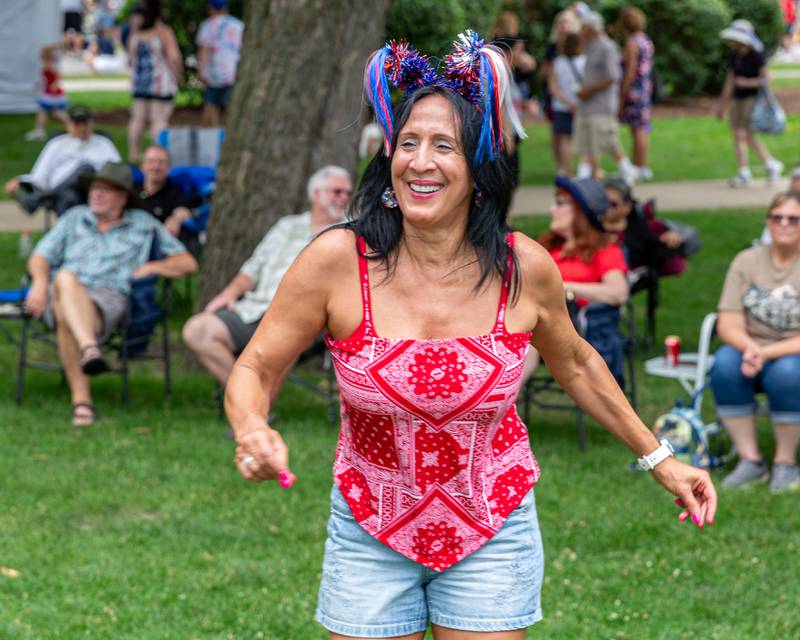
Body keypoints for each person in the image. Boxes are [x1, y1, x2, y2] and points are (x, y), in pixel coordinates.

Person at [224, 33, 716, 639]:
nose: (420, 161)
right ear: (388, 160)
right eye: (407, 143)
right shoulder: (337, 260)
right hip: (369, 522)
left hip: (492, 522)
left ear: (479, 170)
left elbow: (580, 364)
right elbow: (255, 367)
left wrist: (661, 458)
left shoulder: (523, 267)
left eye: (443, 146)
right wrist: (253, 429)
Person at [23, 162, 197, 426]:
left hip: (108, 298)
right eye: (94, 188)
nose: (96, 194)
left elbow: (188, 263)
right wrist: (38, 283)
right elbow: (40, 256)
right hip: (59, 289)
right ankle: (89, 351)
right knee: (66, 278)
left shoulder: (143, 224)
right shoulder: (74, 217)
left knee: (64, 311)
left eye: (105, 189)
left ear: (123, 196)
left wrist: (153, 266)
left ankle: (82, 402)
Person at [182, 166, 352, 391]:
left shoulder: (350, 233)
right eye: (337, 192)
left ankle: (249, 411)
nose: (344, 198)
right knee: (198, 330)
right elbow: (253, 268)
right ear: (316, 194)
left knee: (284, 339)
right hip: (256, 309)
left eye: (348, 193)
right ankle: (250, 403)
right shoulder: (287, 226)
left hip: (304, 317)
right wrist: (229, 293)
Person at [710, 191, 800, 494]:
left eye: (793, 218)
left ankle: (785, 462)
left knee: (787, 373)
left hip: (791, 350)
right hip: (751, 345)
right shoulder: (747, 261)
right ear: (768, 222)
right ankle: (751, 460)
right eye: (777, 217)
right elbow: (728, 321)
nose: (784, 224)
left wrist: (765, 352)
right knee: (723, 364)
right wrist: (750, 348)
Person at [533, 176, 629, 387]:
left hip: (577, 331)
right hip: (535, 324)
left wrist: (565, 287)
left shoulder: (604, 251)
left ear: (581, 211)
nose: (552, 209)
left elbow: (618, 292)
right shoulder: (548, 249)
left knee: (529, 338)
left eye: (560, 203)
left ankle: (492, 406)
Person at [4, 105, 121, 214]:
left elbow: (117, 171)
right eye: (77, 123)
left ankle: (40, 199)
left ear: (92, 124)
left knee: (87, 169)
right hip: (64, 194)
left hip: (94, 191)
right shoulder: (57, 144)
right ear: (68, 125)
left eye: (85, 123)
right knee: (70, 196)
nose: (82, 128)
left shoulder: (103, 143)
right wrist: (21, 180)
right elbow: (41, 174)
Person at [715, 20, 783, 188]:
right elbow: (730, 81)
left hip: (752, 99)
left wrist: (747, 82)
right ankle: (770, 164)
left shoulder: (756, 55)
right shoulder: (734, 55)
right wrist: (722, 105)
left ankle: (745, 172)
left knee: (741, 134)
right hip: (737, 99)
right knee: (743, 135)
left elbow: (766, 79)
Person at [574, 12, 637, 184]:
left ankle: (627, 169)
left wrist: (589, 90)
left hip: (602, 104)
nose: (580, 30)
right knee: (588, 140)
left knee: (608, 140)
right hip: (588, 104)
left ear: (591, 28)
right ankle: (586, 173)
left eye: (583, 27)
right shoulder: (589, 45)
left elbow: (612, 77)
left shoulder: (607, 47)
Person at [127, 0, 183, 163]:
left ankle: (134, 153)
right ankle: (158, 155)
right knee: (159, 120)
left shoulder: (136, 34)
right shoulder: (162, 31)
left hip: (140, 83)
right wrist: (179, 75)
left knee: (138, 118)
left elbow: (130, 61)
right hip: (160, 83)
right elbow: (174, 56)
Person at [604, 178, 688, 277]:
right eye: (602, 201)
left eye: (613, 204)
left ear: (627, 207)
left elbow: (676, 266)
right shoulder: (590, 227)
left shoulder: (638, 229)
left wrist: (669, 241)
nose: (605, 207)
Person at [618, 7, 655, 182]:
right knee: (641, 127)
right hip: (645, 89)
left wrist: (623, 90)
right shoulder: (646, 40)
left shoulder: (632, 43)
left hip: (634, 91)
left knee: (638, 129)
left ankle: (639, 166)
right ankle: (639, 165)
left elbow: (630, 70)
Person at [196, 0, 244, 127]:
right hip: (235, 71)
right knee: (232, 106)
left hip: (215, 73)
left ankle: (214, 134)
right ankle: (232, 131)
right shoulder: (238, 25)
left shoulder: (208, 25)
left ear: (211, 8)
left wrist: (201, 70)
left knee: (211, 105)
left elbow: (205, 50)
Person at [137, 145, 195, 238]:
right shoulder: (132, 190)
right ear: (142, 167)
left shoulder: (175, 192)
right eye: (151, 161)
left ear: (169, 168)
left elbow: (183, 210)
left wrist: (176, 219)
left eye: (161, 162)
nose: (156, 167)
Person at [548, 32, 585, 176]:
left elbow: (553, 88)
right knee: (584, 140)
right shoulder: (584, 61)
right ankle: (584, 170)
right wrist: (575, 103)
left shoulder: (557, 62)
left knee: (564, 140)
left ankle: (565, 170)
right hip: (581, 105)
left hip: (561, 106)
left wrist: (567, 102)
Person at [25, 44, 69, 142]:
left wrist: (55, 84)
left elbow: (58, 76)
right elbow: (46, 78)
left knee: (46, 111)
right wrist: (39, 84)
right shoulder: (47, 64)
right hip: (49, 92)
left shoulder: (50, 64)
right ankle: (40, 130)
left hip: (52, 93)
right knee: (50, 112)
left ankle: (39, 131)